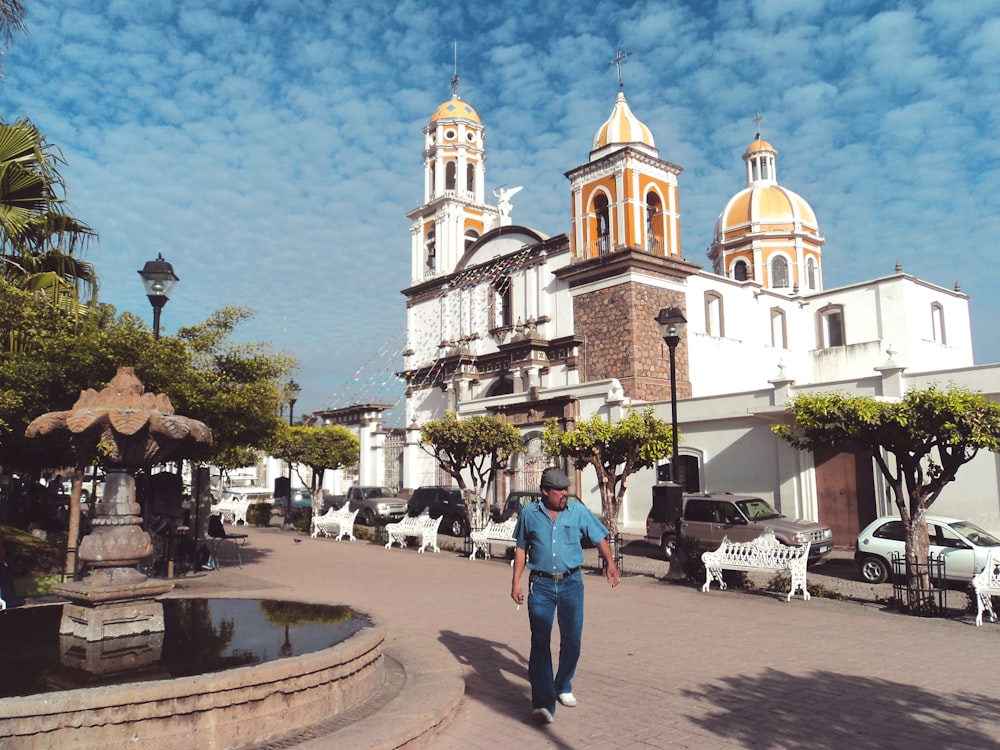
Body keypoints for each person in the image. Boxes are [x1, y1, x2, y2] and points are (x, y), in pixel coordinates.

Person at [510, 467, 621, 724]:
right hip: (541, 586)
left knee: (572, 640)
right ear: (545, 491)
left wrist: (611, 563)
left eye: (566, 489)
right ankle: (543, 703)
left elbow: (599, 536)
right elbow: (521, 548)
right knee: (540, 642)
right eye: (559, 490)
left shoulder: (577, 511)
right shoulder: (529, 514)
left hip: (572, 583)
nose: (564, 494)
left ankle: (563, 684)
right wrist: (515, 582)